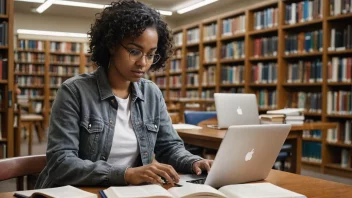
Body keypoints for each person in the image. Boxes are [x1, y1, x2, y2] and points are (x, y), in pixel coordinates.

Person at [35, 0, 213, 188]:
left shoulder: (151, 93)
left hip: (127, 192)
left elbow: (169, 147)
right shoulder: (74, 92)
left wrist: (194, 161)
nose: (143, 63)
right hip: (78, 192)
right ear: (112, 45)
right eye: (135, 51)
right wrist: (125, 174)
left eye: (151, 54)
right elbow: (61, 163)